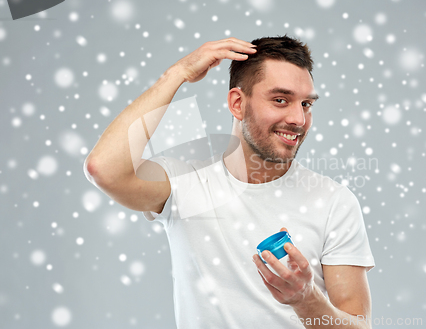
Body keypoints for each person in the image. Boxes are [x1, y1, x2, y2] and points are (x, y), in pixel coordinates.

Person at [84, 35, 375, 329]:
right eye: (280, 100)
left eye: (307, 104)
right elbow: (103, 169)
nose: (298, 118)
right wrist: (177, 74)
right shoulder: (185, 184)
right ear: (237, 103)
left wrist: (305, 299)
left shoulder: (333, 202)